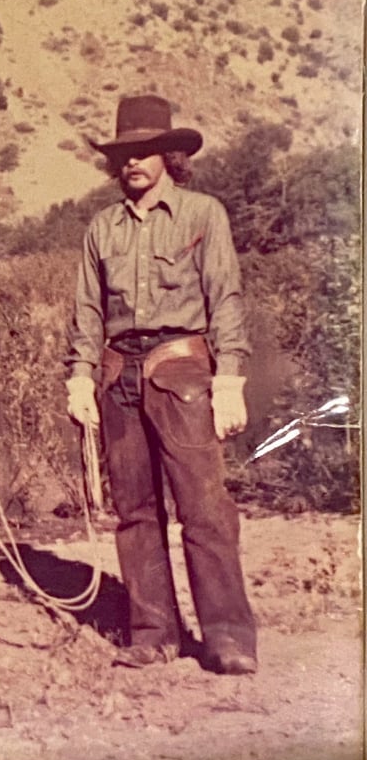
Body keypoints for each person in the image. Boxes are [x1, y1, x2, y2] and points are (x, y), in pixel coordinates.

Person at [65, 94, 257, 675]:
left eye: (146, 151)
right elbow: (87, 311)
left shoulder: (204, 214)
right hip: (118, 376)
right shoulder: (102, 228)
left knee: (204, 508)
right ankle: (152, 633)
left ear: (169, 156)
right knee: (135, 511)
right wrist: (78, 377)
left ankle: (227, 637)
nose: (134, 164)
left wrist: (231, 380)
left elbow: (225, 298)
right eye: (124, 154)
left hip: (184, 372)